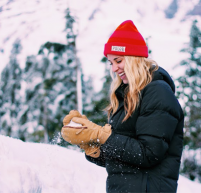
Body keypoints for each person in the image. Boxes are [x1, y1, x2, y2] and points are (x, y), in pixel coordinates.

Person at [61, 20, 184, 193]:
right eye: (111, 63)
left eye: (118, 60)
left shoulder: (157, 92)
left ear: (134, 58)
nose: (114, 68)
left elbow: (149, 153)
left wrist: (101, 135)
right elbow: (122, 159)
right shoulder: (127, 97)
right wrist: (91, 145)